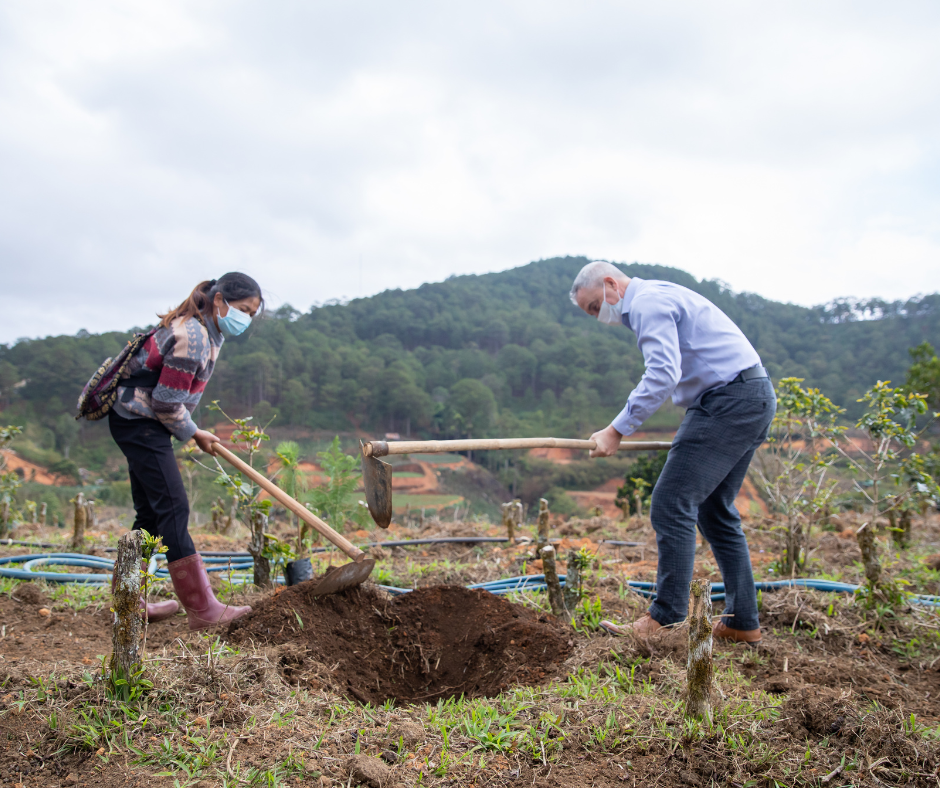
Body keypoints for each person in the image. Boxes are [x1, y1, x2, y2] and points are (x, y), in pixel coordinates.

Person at [570, 261, 775, 644]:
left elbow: (663, 373)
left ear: (611, 284)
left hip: (726, 401)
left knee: (671, 501)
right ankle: (742, 621)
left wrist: (616, 430)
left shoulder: (647, 303)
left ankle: (664, 619)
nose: (599, 317)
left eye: (596, 306)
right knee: (715, 512)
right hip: (752, 396)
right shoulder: (660, 296)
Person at [107, 273, 262, 630]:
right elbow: (165, 402)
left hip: (141, 420)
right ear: (220, 300)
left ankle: (129, 604)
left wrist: (191, 430)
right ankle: (203, 608)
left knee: (150, 512)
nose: (246, 319)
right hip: (140, 421)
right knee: (173, 507)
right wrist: (195, 433)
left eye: (252, 314)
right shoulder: (193, 336)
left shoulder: (208, 331)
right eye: (243, 310)